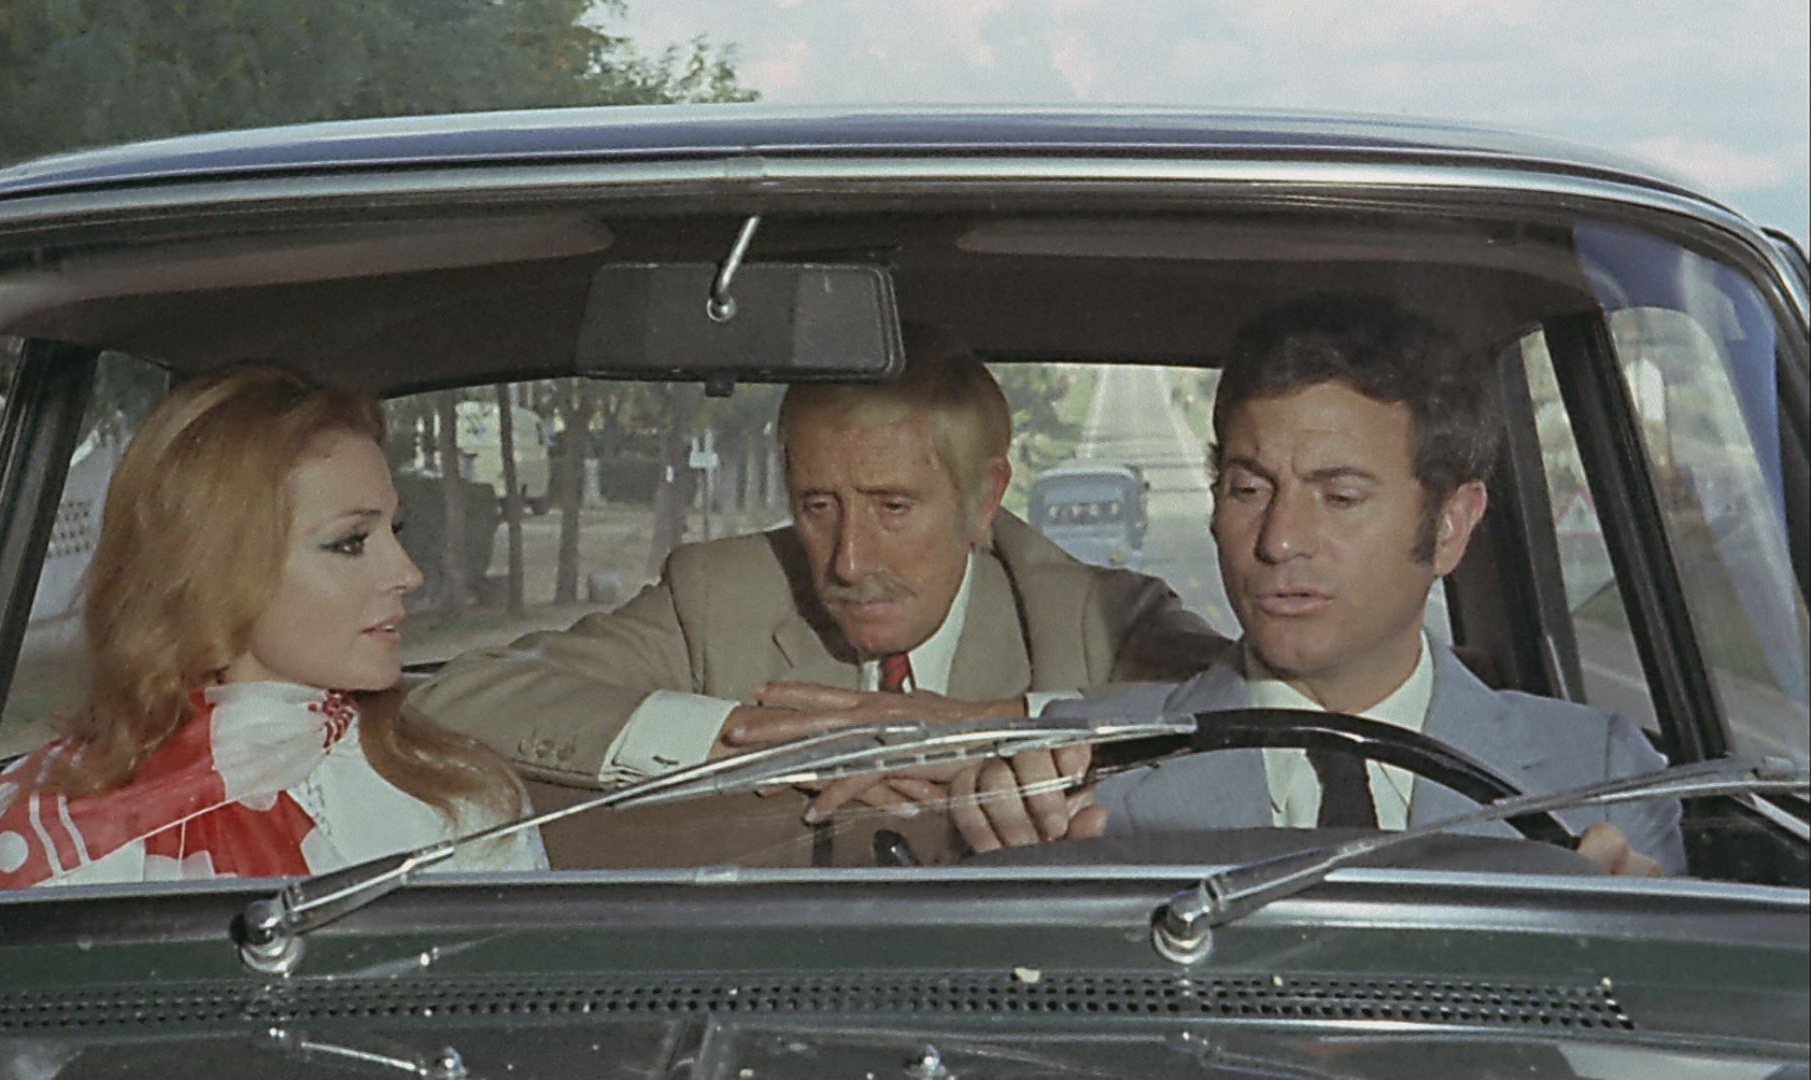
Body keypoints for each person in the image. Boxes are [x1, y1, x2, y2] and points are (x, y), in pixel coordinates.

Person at [406, 327, 1225, 861]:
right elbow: (457, 696)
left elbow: (1253, 721)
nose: (848, 560)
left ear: (983, 502)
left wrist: (998, 725)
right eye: (818, 507)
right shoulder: (719, 597)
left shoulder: (1097, 617)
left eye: (893, 507)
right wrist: (732, 742)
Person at [950, 294, 1683, 877]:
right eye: (1248, 489)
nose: (1279, 541)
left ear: (1450, 525)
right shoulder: (1077, 768)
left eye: (1340, 496)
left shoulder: (1602, 775)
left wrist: (1632, 948)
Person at [0, 366, 545, 890]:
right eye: (350, 542)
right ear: (216, 570)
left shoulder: (463, 802)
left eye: (396, 530)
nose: (408, 573)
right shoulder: (41, 850)